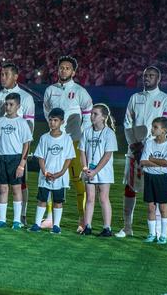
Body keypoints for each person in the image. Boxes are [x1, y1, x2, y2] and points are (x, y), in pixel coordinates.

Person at [116, 66, 167, 238]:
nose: (147, 78)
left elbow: (166, 126)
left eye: (151, 75)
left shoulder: (166, 99)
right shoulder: (135, 98)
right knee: (130, 187)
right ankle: (127, 227)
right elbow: (127, 121)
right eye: (145, 75)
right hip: (134, 149)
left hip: (155, 152)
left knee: (156, 190)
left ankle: (156, 232)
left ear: (159, 79)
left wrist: (148, 145)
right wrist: (134, 144)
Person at [43, 56, 93, 233]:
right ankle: (49, 218)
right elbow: (47, 112)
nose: (63, 70)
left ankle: (83, 219)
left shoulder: (80, 91)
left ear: (73, 72)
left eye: (67, 68)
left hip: (74, 141)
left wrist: (82, 132)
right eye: (61, 67)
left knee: (78, 181)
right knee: (50, 177)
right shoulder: (50, 90)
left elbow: (88, 113)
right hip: (55, 140)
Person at [0, 63, 35, 225]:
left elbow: (29, 127)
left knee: (19, 184)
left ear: (15, 76)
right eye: (1, 74)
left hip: (16, 153)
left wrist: (23, 157)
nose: (3, 77)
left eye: (6, 74)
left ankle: (21, 216)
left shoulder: (26, 98)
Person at [0, 93, 32, 229]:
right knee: (2, 190)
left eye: (11, 104)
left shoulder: (22, 123)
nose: (8, 107)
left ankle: (16, 221)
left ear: (18, 106)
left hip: (15, 159)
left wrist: (22, 165)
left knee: (16, 190)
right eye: (6, 104)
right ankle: (2, 220)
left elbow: (27, 144)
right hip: (1, 158)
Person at [30, 108, 75, 234]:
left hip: (60, 177)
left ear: (62, 122)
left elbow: (68, 158)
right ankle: (37, 224)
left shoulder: (67, 139)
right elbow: (41, 157)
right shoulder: (44, 138)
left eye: (55, 120)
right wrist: (45, 172)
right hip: (46, 175)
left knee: (58, 201)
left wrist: (60, 173)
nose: (52, 123)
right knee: (42, 199)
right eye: (50, 120)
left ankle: (56, 226)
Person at [79, 104, 118, 237]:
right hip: (89, 170)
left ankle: (107, 228)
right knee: (90, 198)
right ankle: (87, 226)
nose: (92, 116)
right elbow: (82, 151)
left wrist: (95, 171)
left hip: (103, 171)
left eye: (95, 114)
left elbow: (107, 155)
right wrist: (85, 168)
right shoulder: (87, 131)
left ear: (104, 117)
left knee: (103, 198)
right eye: (91, 113)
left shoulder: (109, 133)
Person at [140, 117, 167, 244]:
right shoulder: (149, 143)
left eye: (155, 127)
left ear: (164, 130)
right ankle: (151, 234)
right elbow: (143, 161)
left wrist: (152, 159)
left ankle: (163, 235)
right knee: (150, 207)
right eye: (152, 126)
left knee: (163, 207)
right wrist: (160, 164)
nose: (152, 129)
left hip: (162, 178)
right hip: (149, 177)